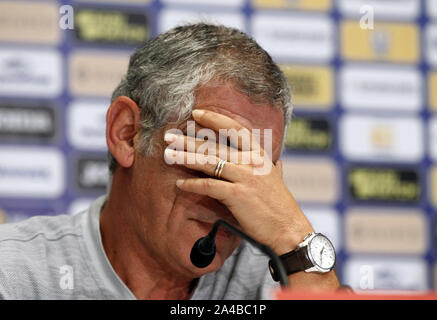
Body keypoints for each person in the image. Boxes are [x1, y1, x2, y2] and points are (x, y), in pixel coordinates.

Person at [0, 23, 342, 299]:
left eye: (257, 174)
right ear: (128, 133)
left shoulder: (280, 284)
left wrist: (294, 239)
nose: (235, 198)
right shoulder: (16, 274)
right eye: (214, 158)